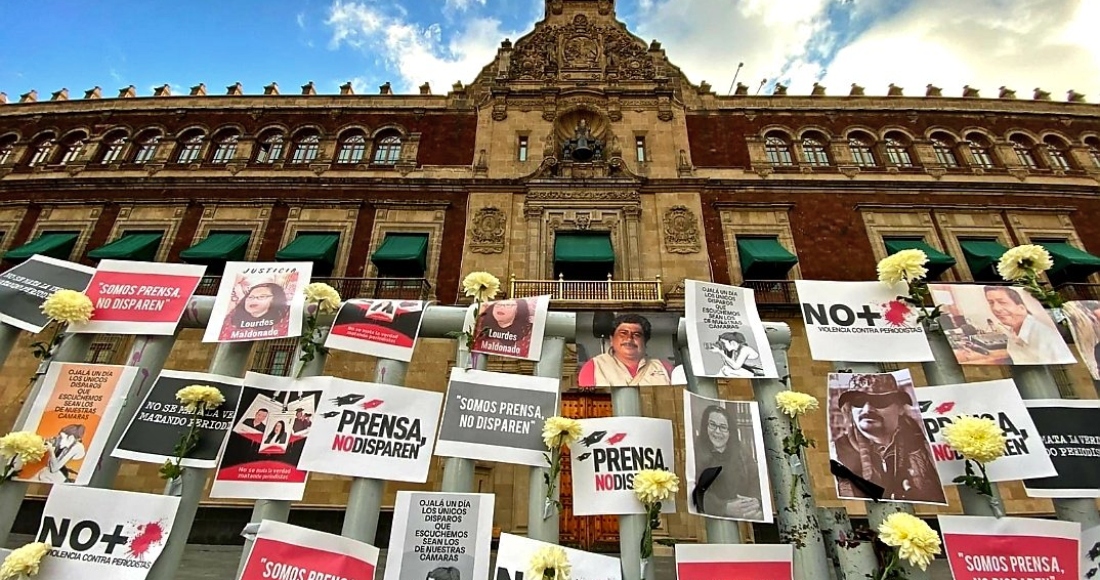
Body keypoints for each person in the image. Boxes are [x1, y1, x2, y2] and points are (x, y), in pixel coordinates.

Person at [832, 374, 942, 503]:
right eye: (859, 401)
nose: (867, 409)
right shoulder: (836, 451)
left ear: (900, 408)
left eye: (880, 402)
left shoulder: (924, 446)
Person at [692, 404, 763, 520]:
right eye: (712, 425)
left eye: (723, 427)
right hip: (711, 519)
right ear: (705, 426)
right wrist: (724, 508)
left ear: (730, 431)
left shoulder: (741, 451)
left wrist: (756, 501)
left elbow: (756, 478)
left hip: (746, 516)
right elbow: (694, 489)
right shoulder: (696, 451)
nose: (717, 431)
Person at [578, 314, 673, 387]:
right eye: (623, 334)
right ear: (612, 340)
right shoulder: (593, 367)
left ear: (645, 341)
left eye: (636, 335)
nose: (629, 339)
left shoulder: (664, 368)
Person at [983, 286, 1068, 364]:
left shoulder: (1043, 336)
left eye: (1002, 302)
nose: (996, 309)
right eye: (991, 303)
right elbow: (1016, 355)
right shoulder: (1014, 332)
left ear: (1021, 308)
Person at [219, 282, 290, 341]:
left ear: (275, 299)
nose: (254, 300)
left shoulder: (284, 320)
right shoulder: (231, 319)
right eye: (251, 297)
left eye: (262, 297)